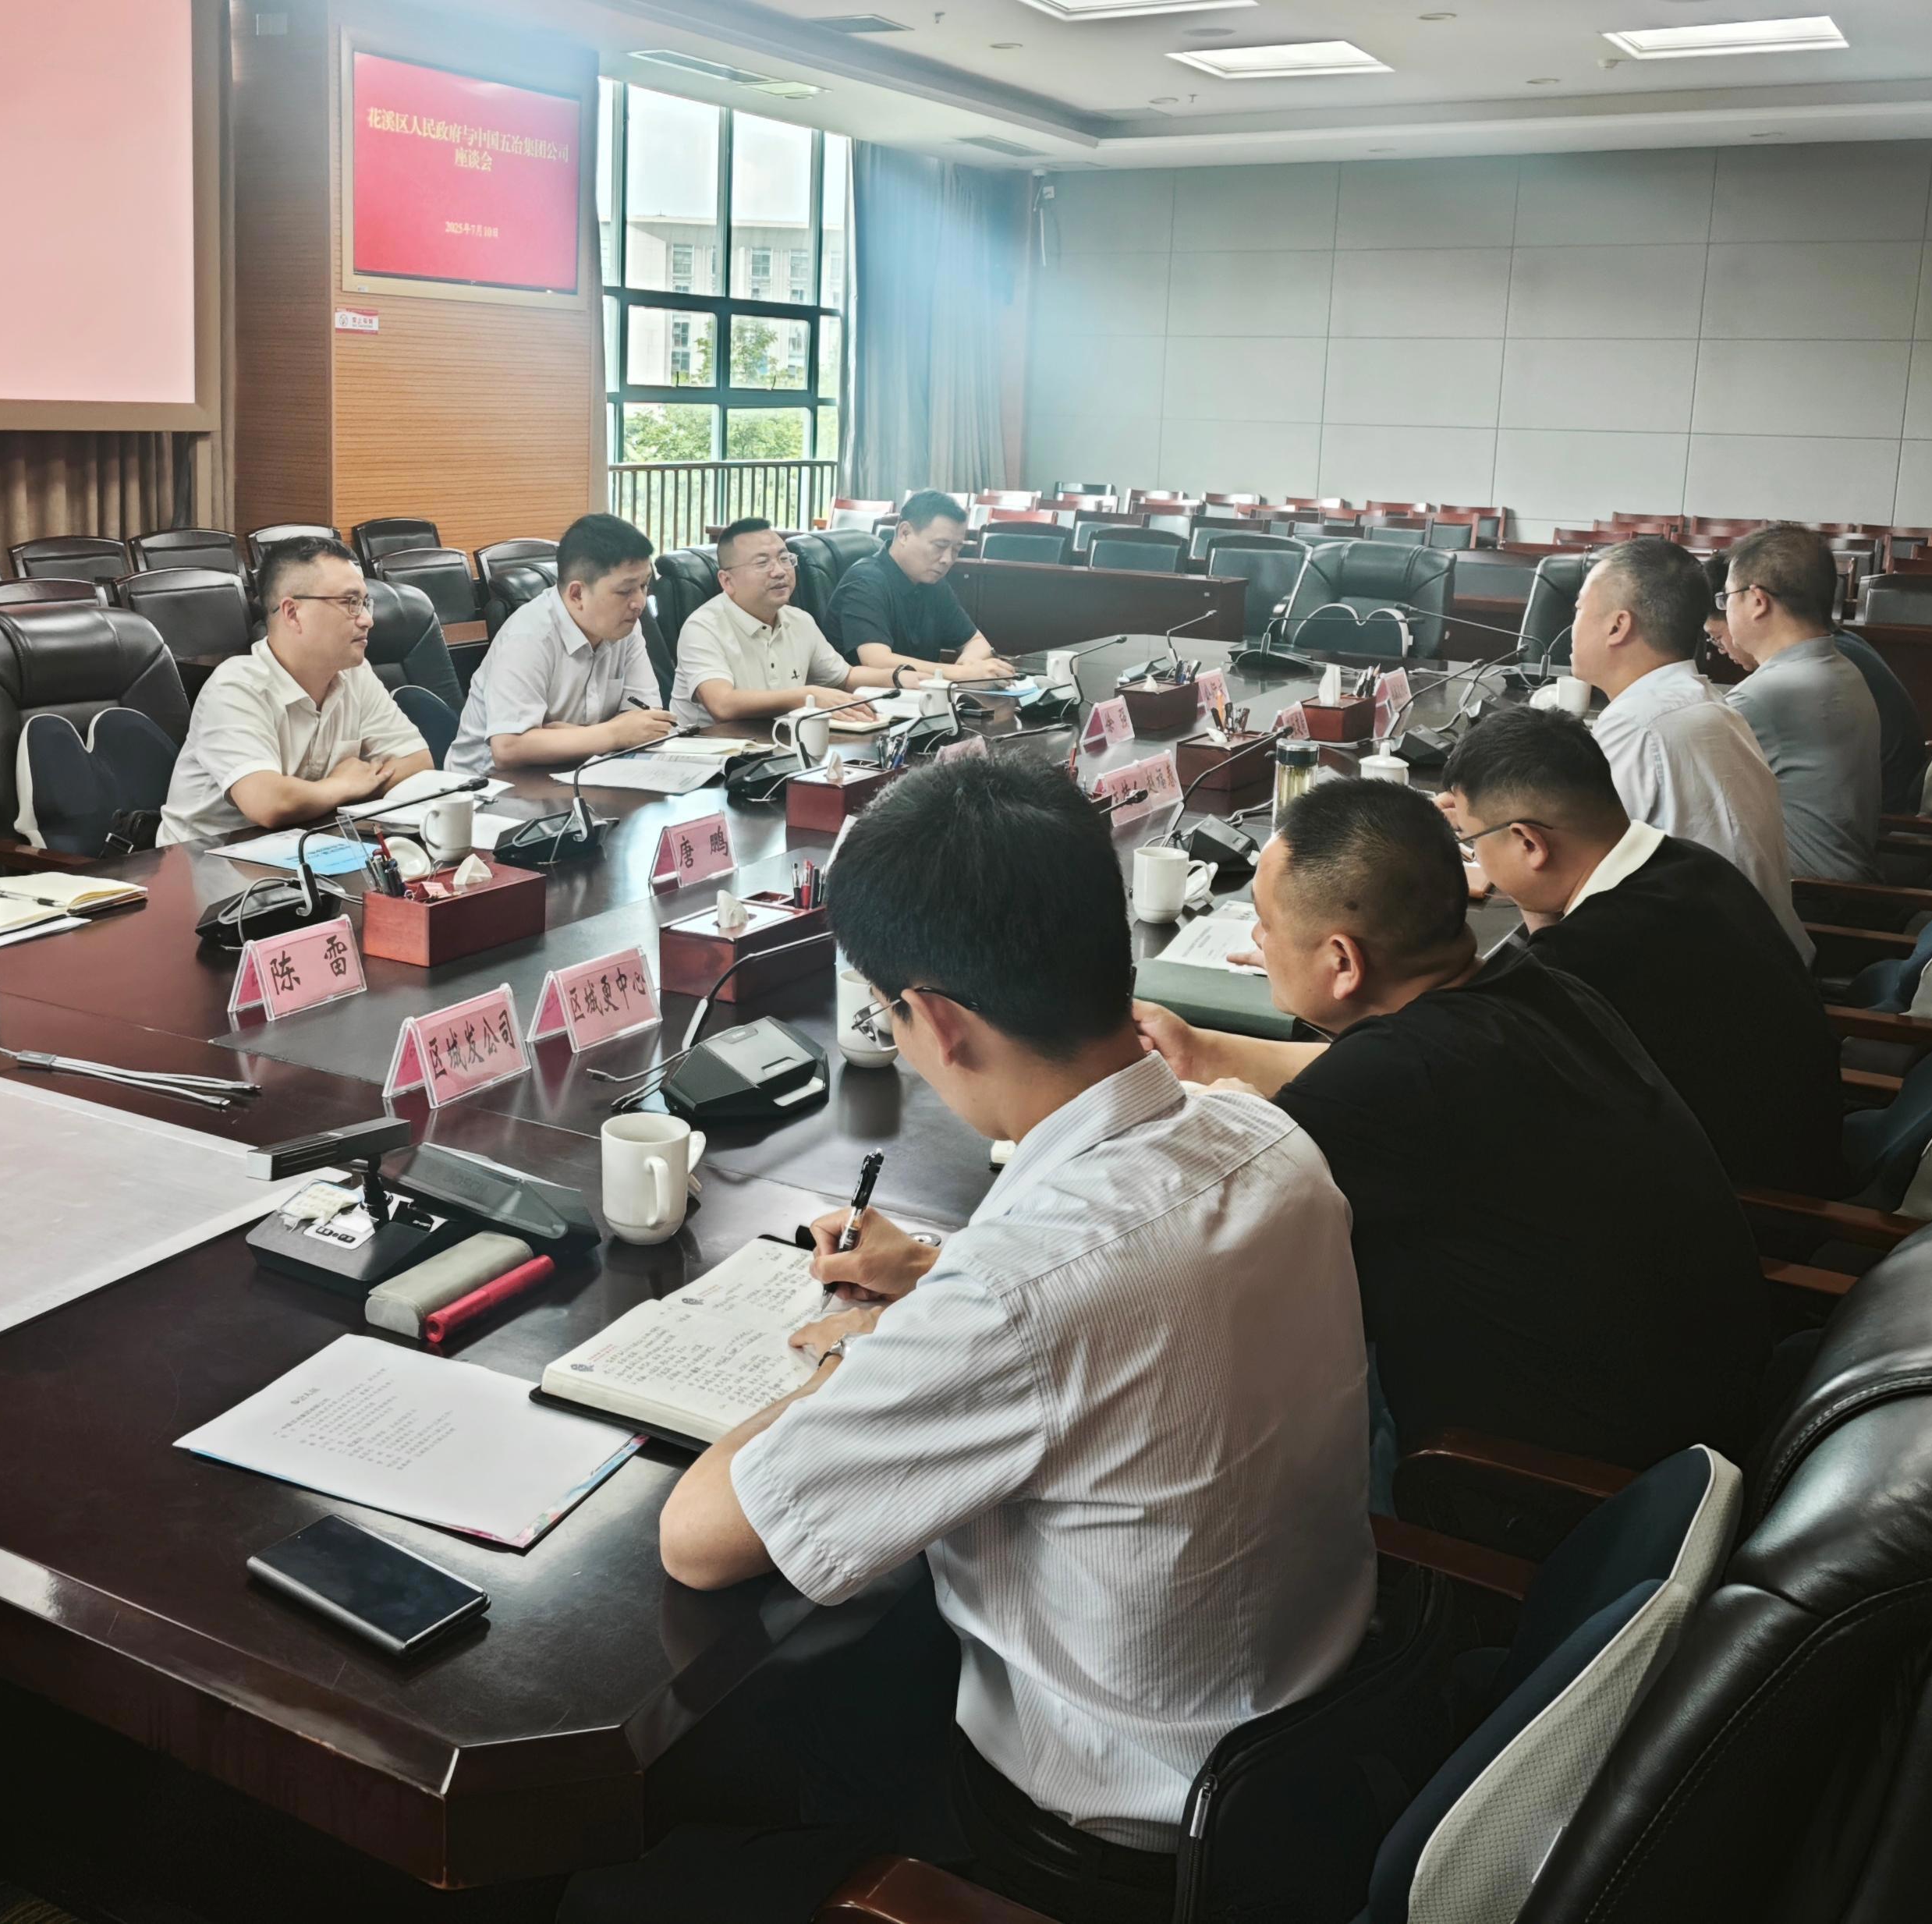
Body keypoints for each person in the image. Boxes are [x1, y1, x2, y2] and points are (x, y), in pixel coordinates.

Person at [614, 759, 1375, 1924]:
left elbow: (701, 1537)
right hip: (1297, 1763)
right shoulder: (1268, 1141)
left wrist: (858, 1354)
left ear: (938, 1020)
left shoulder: (1021, 1296)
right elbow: (1113, 1293)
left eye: (888, 1013)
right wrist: (933, 1281)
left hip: (1089, 1851)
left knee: (649, 1864)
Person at [1133, 778, 1770, 1493]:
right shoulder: (1537, 988)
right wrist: (1204, 1051)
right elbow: (1374, 1076)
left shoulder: (1393, 1087)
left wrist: (1223, 1107)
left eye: (1264, 922)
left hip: (1557, 1487)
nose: (1258, 939)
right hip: (1708, 1423)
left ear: (1342, 961)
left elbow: (1188, 1238)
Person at [1443, 707, 1845, 1196]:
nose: (1475, 855)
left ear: (1529, 841)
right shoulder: (1693, 863)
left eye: (1469, 841)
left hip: (1748, 1205)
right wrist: (1503, 850)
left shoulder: (1583, 960)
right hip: (1809, 1144)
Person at [1573, 536, 1810, 959]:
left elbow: (1568, 864)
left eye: (1578, 610)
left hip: (1710, 980)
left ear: (1617, 626)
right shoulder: (1704, 704)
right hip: (1764, 964)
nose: (1571, 625)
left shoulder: (1639, 723)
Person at [158, 535, 431, 845]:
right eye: (350, 603)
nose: (367, 620)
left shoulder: (355, 674)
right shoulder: (235, 686)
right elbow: (268, 803)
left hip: (304, 844)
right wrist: (342, 786)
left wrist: (319, 795)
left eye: (365, 603)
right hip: (202, 860)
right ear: (292, 613)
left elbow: (417, 762)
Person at [1711, 527, 1883, 882]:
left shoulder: (1764, 696)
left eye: (1726, 597)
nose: (1724, 609)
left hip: (1805, 896)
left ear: (1758, 601)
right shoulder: (1841, 666)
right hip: (1842, 883)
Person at [443, 513, 675, 775]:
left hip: (576, 772)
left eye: (644, 585)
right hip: (487, 787)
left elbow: (647, 722)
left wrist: (573, 737)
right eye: (625, 591)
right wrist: (612, 734)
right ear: (577, 594)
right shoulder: (528, 635)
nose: (639, 602)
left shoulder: (625, 627)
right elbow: (508, 748)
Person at [1703, 545, 1925, 817]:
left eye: (1727, 599)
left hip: (1886, 821)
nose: (1720, 649)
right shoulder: (1837, 658)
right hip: (1870, 821)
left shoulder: (1770, 693)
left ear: (1758, 601)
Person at [669, 519, 892, 726]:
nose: (779, 572)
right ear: (727, 580)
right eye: (762, 563)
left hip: (780, 743)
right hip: (715, 750)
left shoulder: (800, 620)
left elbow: (845, 677)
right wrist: (806, 696)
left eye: (784, 559)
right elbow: (722, 704)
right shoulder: (703, 627)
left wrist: (901, 676)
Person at [824, 490, 1014, 682]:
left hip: (917, 696)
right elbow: (877, 660)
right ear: (905, 533)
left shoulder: (932, 582)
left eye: (956, 550)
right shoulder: (865, 582)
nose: (947, 559)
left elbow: (976, 641)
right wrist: (959, 674)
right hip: (863, 698)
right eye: (940, 546)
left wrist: (969, 664)